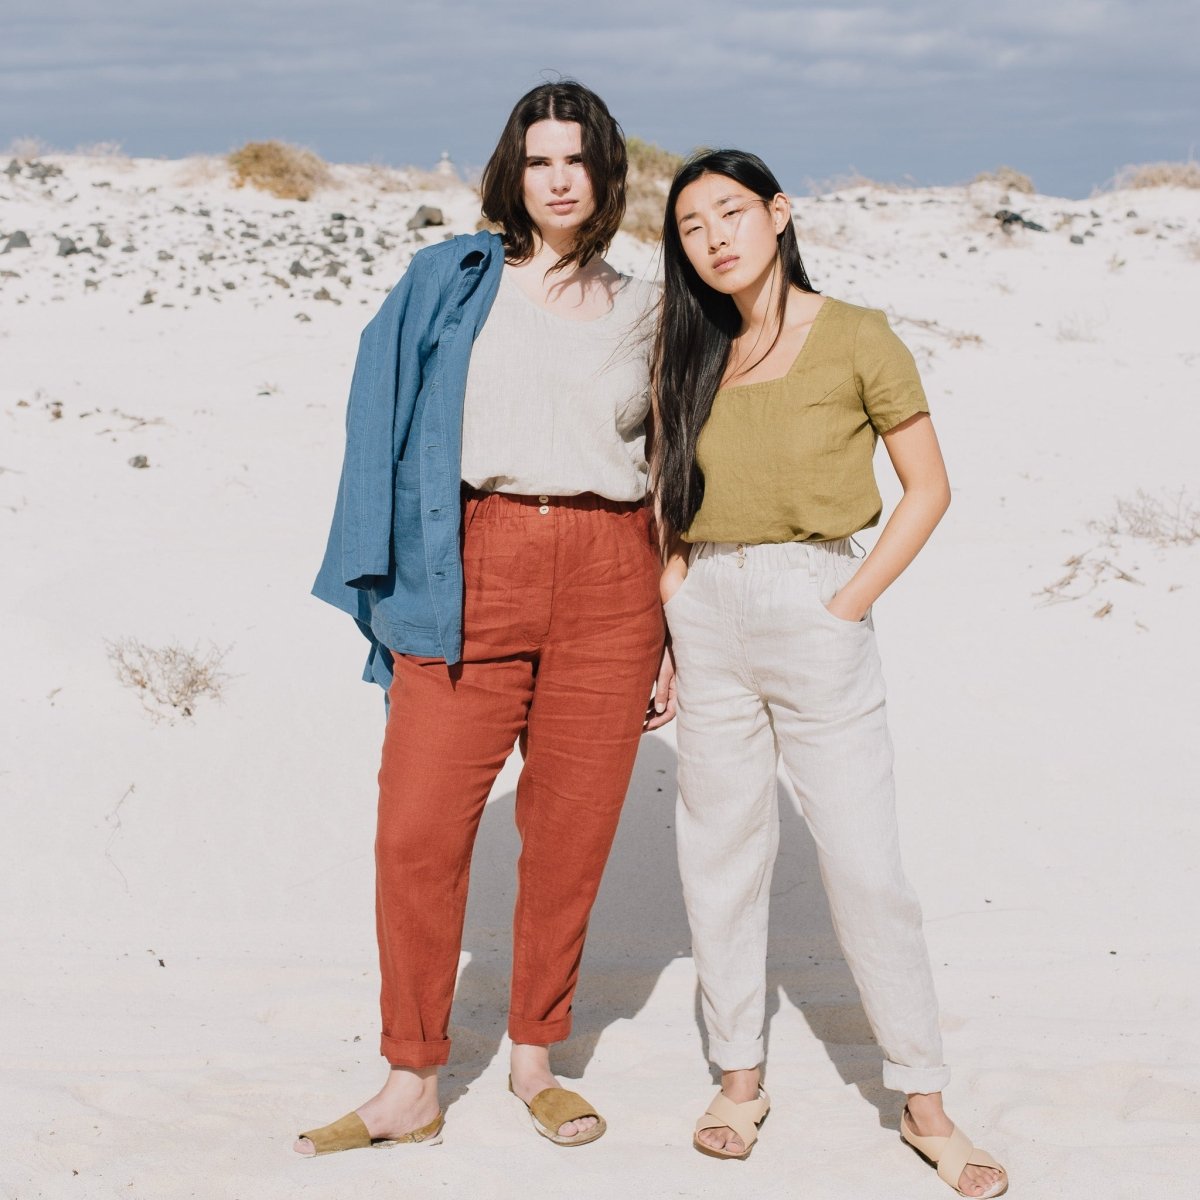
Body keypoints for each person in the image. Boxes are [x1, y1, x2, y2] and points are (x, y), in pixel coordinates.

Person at [298, 81, 673, 1156]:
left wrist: (674, 636)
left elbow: (674, 471)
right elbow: (380, 419)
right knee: (418, 832)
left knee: (569, 838)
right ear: (514, 170)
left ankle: (534, 1058)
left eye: (577, 159)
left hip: (612, 576)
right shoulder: (453, 280)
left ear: (606, 173)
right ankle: (410, 1079)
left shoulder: (651, 307)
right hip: (470, 563)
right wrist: (390, 582)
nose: (558, 179)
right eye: (539, 159)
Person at [650, 149, 1007, 1198]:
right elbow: (666, 497)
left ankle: (925, 1102)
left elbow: (928, 488)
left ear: (779, 213)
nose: (713, 238)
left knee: (864, 866)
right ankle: (739, 1080)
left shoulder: (857, 334)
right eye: (690, 226)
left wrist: (847, 602)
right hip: (706, 609)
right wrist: (670, 612)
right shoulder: (689, 348)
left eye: (729, 213)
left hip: (815, 603)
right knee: (719, 857)